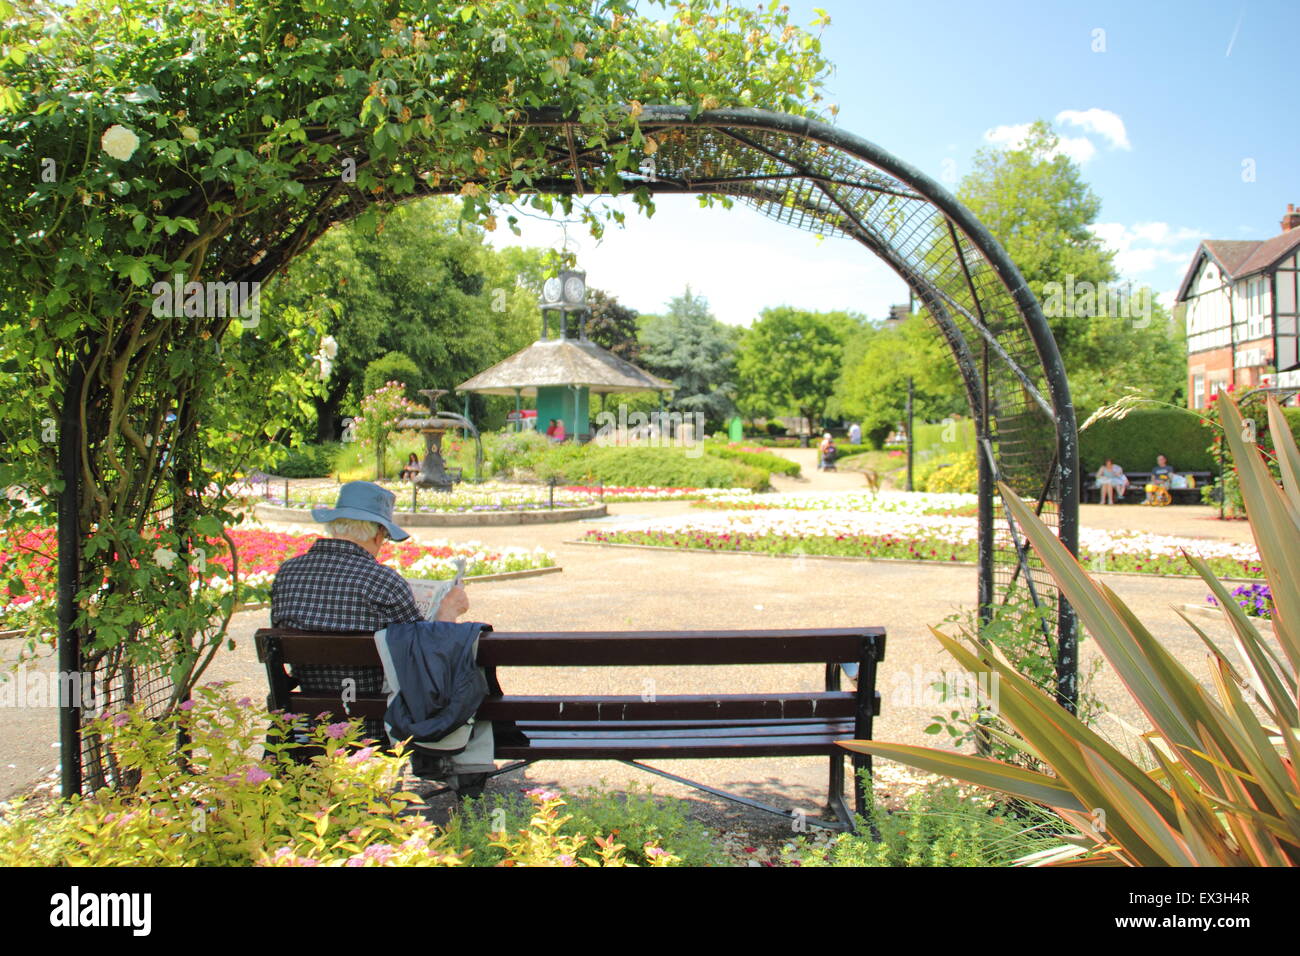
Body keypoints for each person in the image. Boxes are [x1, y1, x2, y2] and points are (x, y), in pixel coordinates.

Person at [270, 481, 469, 745]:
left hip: (308, 723)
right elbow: (423, 658)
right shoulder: (383, 581)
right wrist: (448, 611)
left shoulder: (287, 574)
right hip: (372, 726)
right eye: (385, 537)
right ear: (378, 535)